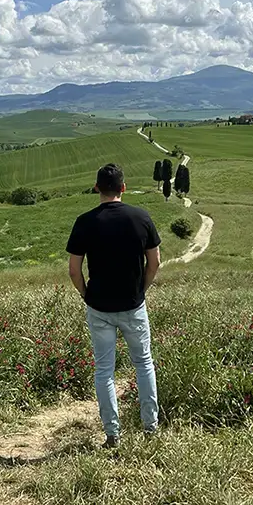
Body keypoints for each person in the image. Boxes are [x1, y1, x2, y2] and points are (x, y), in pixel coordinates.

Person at [66, 163, 161, 449]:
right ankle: (150, 427)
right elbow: (155, 261)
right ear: (123, 187)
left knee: (104, 370)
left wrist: (86, 295)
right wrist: (141, 290)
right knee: (143, 364)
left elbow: (73, 270)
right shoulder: (141, 217)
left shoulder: (84, 221)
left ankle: (112, 434)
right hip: (133, 305)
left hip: (99, 308)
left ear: (97, 188)